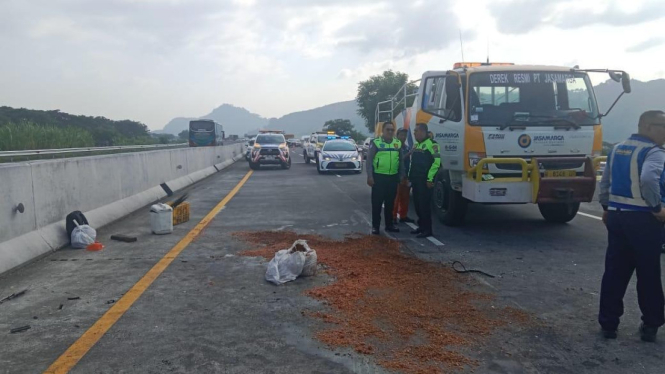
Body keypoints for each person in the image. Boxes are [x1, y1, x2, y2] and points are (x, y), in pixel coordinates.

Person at [598, 110, 665, 342]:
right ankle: (650, 325)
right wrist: (656, 208)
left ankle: (608, 325)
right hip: (643, 219)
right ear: (647, 126)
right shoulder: (653, 152)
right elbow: (648, 179)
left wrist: (606, 207)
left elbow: (605, 182)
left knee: (615, 271)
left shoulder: (617, 148)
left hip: (617, 216)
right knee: (649, 273)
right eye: (662, 126)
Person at [366, 121, 405, 235]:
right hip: (379, 178)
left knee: (390, 203)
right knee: (377, 203)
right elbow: (369, 161)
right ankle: (375, 226)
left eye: (392, 130)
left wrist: (402, 175)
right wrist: (370, 176)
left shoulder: (397, 143)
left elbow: (401, 161)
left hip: (392, 178)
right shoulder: (376, 143)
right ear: (382, 131)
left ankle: (389, 225)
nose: (390, 132)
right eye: (387, 129)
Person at [409, 123, 441, 238]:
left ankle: (428, 229)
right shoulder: (417, 144)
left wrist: (430, 179)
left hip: (425, 180)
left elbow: (437, 163)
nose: (414, 133)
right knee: (417, 205)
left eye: (416, 131)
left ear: (422, 131)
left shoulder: (433, 144)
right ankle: (421, 226)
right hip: (416, 179)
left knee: (424, 206)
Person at [393, 128, 414, 224]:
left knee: (405, 197)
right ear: (397, 135)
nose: (403, 137)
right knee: (396, 197)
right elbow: (399, 159)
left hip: (406, 175)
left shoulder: (406, 147)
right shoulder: (395, 146)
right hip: (397, 176)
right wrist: (410, 153)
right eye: (401, 135)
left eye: (405, 135)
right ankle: (393, 217)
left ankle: (403, 215)